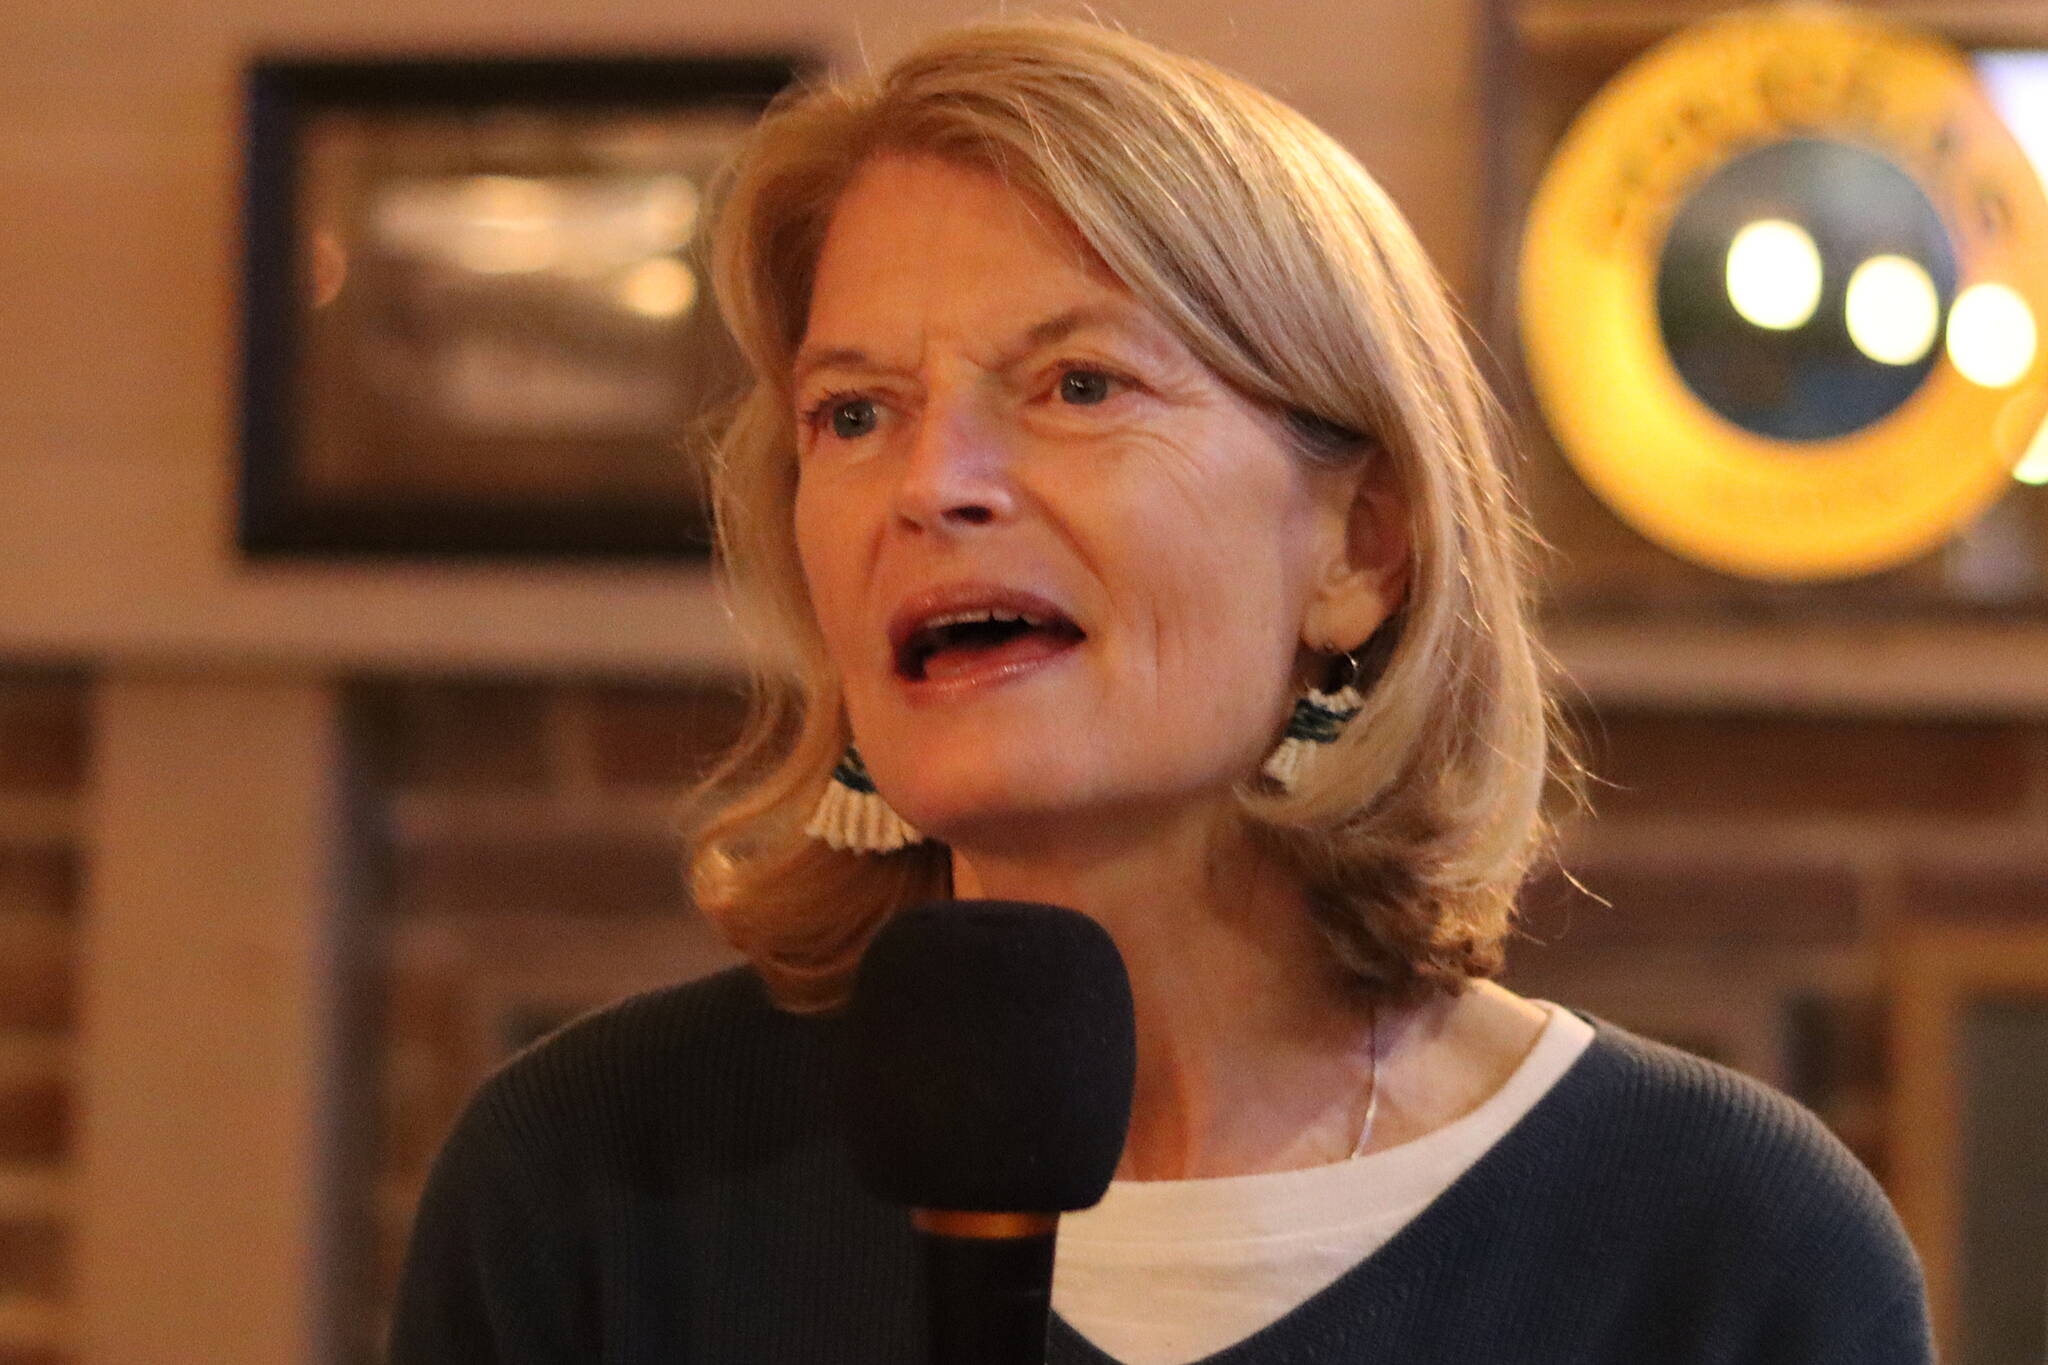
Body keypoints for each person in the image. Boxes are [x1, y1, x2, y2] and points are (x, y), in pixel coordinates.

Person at [389, 18, 1934, 1364]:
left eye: (1077, 385)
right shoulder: (591, 1179)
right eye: (855, 412)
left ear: (1363, 545)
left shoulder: (1725, 1245)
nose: (932, 485)